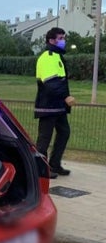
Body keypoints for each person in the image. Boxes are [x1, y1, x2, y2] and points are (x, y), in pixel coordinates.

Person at [34, 27, 75, 179]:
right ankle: (41, 169)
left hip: (58, 106)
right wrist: (66, 97)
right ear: (51, 40)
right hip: (48, 106)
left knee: (64, 132)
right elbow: (51, 83)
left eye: (63, 37)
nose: (63, 41)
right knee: (44, 138)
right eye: (60, 38)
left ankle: (54, 164)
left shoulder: (56, 56)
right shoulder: (48, 57)